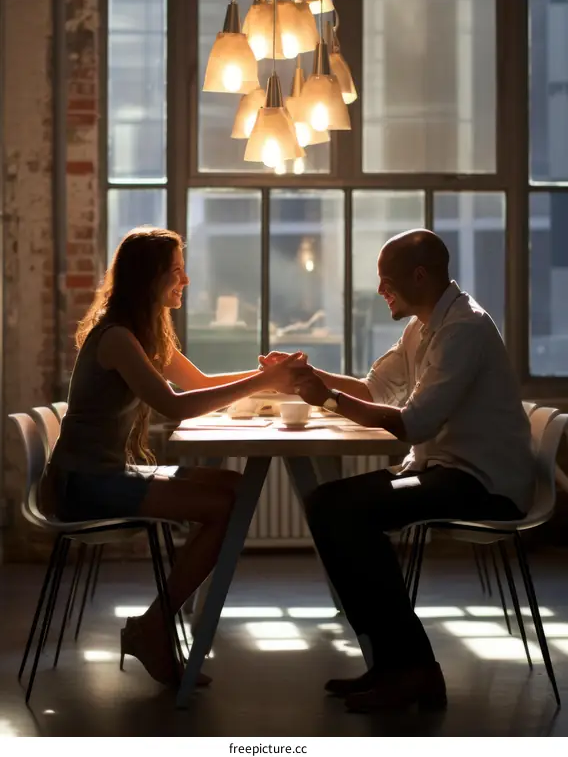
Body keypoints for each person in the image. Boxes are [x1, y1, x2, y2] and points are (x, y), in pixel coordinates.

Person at [262, 229, 535, 713]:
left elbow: (414, 423)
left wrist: (324, 398)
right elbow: (372, 390)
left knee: (346, 511)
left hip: (484, 484)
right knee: (327, 503)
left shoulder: (464, 329)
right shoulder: (424, 326)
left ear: (420, 276)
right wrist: (308, 377)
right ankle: (393, 663)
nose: (382, 290)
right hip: (443, 470)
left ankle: (416, 670)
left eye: (387, 281)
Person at [43, 226, 301, 687]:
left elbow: (198, 382)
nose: (185, 281)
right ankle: (154, 625)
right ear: (150, 278)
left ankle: (159, 622)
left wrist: (271, 373)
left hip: (102, 474)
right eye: (177, 271)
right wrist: (267, 382)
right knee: (227, 506)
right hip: (83, 485)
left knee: (236, 489)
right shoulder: (119, 337)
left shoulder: (142, 333)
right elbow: (176, 406)